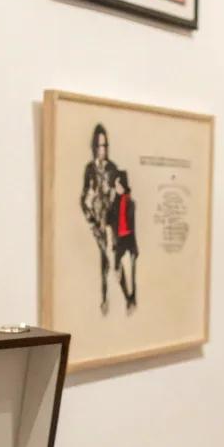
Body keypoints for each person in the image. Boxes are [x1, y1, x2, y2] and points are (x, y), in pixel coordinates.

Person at [80, 124, 118, 314]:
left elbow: (116, 196)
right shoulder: (89, 169)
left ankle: (119, 296)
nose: (102, 149)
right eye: (99, 145)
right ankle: (104, 299)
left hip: (109, 221)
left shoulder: (112, 168)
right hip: (96, 221)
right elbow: (84, 197)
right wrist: (91, 220)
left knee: (111, 259)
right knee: (104, 260)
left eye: (105, 145)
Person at [108, 170, 138, 312]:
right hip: (119, 240)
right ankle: (128, 297)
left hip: (129, 240)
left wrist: (135, 248)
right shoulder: (115, 202)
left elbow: (133, 227)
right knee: (117, 270)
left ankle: (132, 300)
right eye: (115, 185)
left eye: (118, 185)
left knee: (132, 272)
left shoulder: (130, 202)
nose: (116, 188)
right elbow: (108, 219)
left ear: (123, 185)